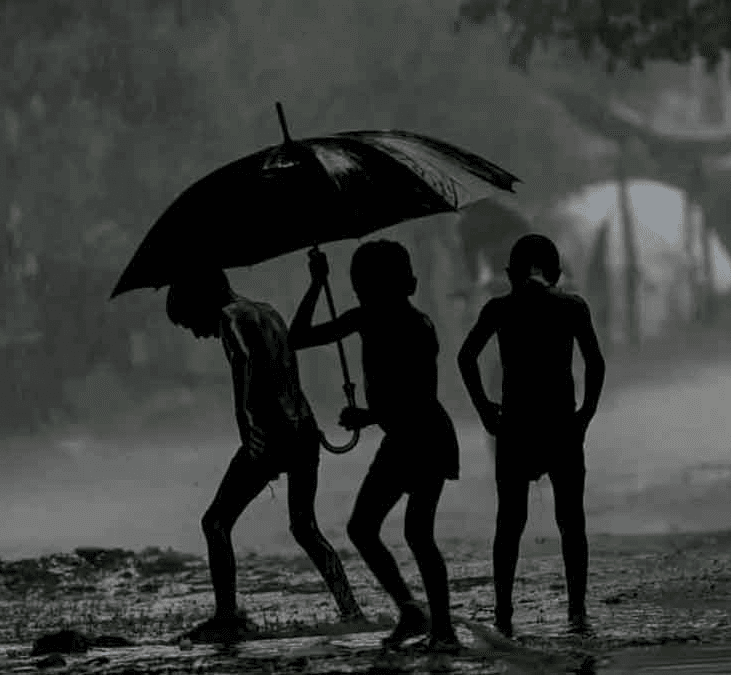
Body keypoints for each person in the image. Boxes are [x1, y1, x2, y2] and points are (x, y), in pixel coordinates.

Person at [165, 269, 365, 644]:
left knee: (215, 522)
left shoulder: (230, 317)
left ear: (202, 301)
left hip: (270, 433)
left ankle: (226, 615)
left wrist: (249, 430)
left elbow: (248, 370)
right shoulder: (268, 311)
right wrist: (317, 284)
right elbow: (289, 356)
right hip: (305, 428)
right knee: (305, 527)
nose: (196, 332)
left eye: (192, 322)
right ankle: (351, 609)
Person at [289, 242, 462, 653]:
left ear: (406, 286)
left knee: (416, 534)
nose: (367, 294)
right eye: (362, 287)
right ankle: (414, 612)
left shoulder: (416, 327)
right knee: (366, 528)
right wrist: (316, 284)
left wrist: (368, 415)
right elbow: (297, 338)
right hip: (404, 438)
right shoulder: (365, 318)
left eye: (371, 285)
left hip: (423, 437)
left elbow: (418, 397)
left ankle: (441, 629)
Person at [457, 233, 606, 638]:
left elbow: (465, 357)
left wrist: (485, 409)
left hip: (516, 427)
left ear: (510, 274)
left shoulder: (501, 308)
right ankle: (577, 612)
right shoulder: (572, 306)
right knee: (571, 523)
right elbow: (595, 362)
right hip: (561, 425)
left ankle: (503, 613)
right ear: (557, 273)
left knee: (509, 523)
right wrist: (586, 414)